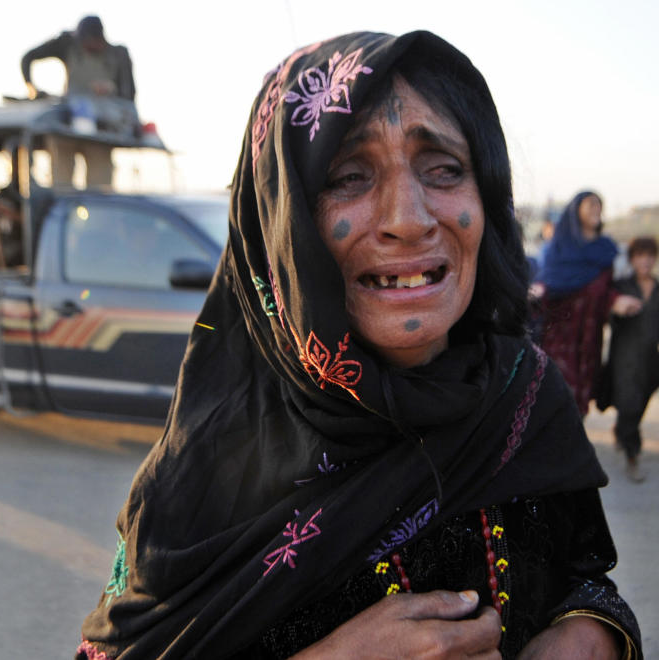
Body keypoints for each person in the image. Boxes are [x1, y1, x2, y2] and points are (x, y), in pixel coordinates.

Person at [75, 31, 640, 659]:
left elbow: (581, 577)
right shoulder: (198, 484)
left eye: (445, 169)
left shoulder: (526, 396)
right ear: (281, 222)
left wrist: (590, 634)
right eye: (349, 176)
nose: (409, 217)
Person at [534, 191, 641, 416]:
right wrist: (538, 291)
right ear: (575, 210)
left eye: (600, 205)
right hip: (560, 336)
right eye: (591, 204)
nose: (597, 209)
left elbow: (609, 287)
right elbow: (549, 281)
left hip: (590, 335)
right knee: (557, 393)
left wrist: (616, 300)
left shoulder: (606, 250)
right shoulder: (560, 247)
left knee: (580, 398)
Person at [20, 15, 137, 188]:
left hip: (102, 132)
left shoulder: (118, 54)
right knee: (61, 186)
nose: (86, 45)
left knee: (100, 190)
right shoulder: (68, 44)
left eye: (90, 41)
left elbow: (129, 95)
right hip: (68, 127)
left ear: (100, 39)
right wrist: (32, 88)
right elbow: (28, 58)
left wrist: (111, 89)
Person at [598, 236, 659, 482]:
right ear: (632, 259)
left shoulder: (658, 288)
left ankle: (622, 431)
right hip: (623, 359)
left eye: (650, 255)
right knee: (630, 405)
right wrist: (616, 308)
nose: (645, 260)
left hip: (651, 361)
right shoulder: (620, 287)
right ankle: (632, 456)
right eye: (640, 255)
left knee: (638, 405)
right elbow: (604, 312)